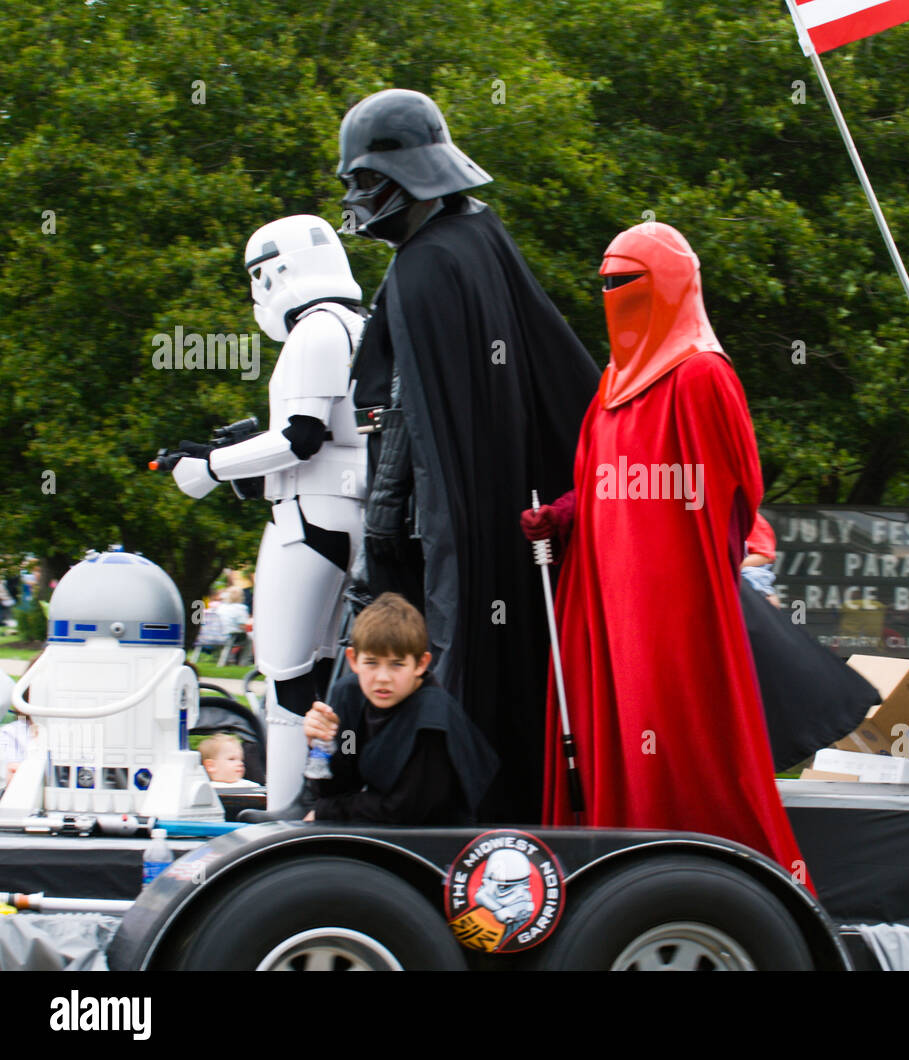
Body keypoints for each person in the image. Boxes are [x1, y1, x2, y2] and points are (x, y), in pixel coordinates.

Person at [337, 88, 600, 822]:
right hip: (476, 523)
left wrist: (385, 536)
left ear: (406, 175)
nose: (356, 200)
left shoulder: (428, 266)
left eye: (364, 180)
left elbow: (412, 425)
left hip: (442, 532)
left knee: (405, 667)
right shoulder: (478, 239)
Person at [521, 221, 808, 882]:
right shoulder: (610, 389)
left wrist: (685, 572)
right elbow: (598, 488)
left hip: (673, 609)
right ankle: (619, 884)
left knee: (682, 747)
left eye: (627, 281)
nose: (613, 294)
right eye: (607, 284)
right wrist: (560, 517)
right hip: (602, 604)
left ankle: (726, 888)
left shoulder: (703, 376)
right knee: (610, 747)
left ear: (674, 286)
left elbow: (739, 493)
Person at [169, 215, 369, 808]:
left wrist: (211, 466)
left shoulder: (317, 330)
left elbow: (300, 436)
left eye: (259, 276)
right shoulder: (362, 326)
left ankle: (284, 816)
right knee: (329, 681)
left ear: (279, 271)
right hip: (348, 518)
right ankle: (320, 806)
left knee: (287, 680)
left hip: (308, 523)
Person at [300, 593, 498, 825]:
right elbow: (337, 784)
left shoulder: (432, 721)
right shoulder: (350, 695)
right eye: (371, 663)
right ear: (353, 660)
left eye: (397, 664)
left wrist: (325, 812)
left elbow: (403, 810)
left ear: (421, 664)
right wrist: (322, 745)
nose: (383, 678)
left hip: (437, 841)